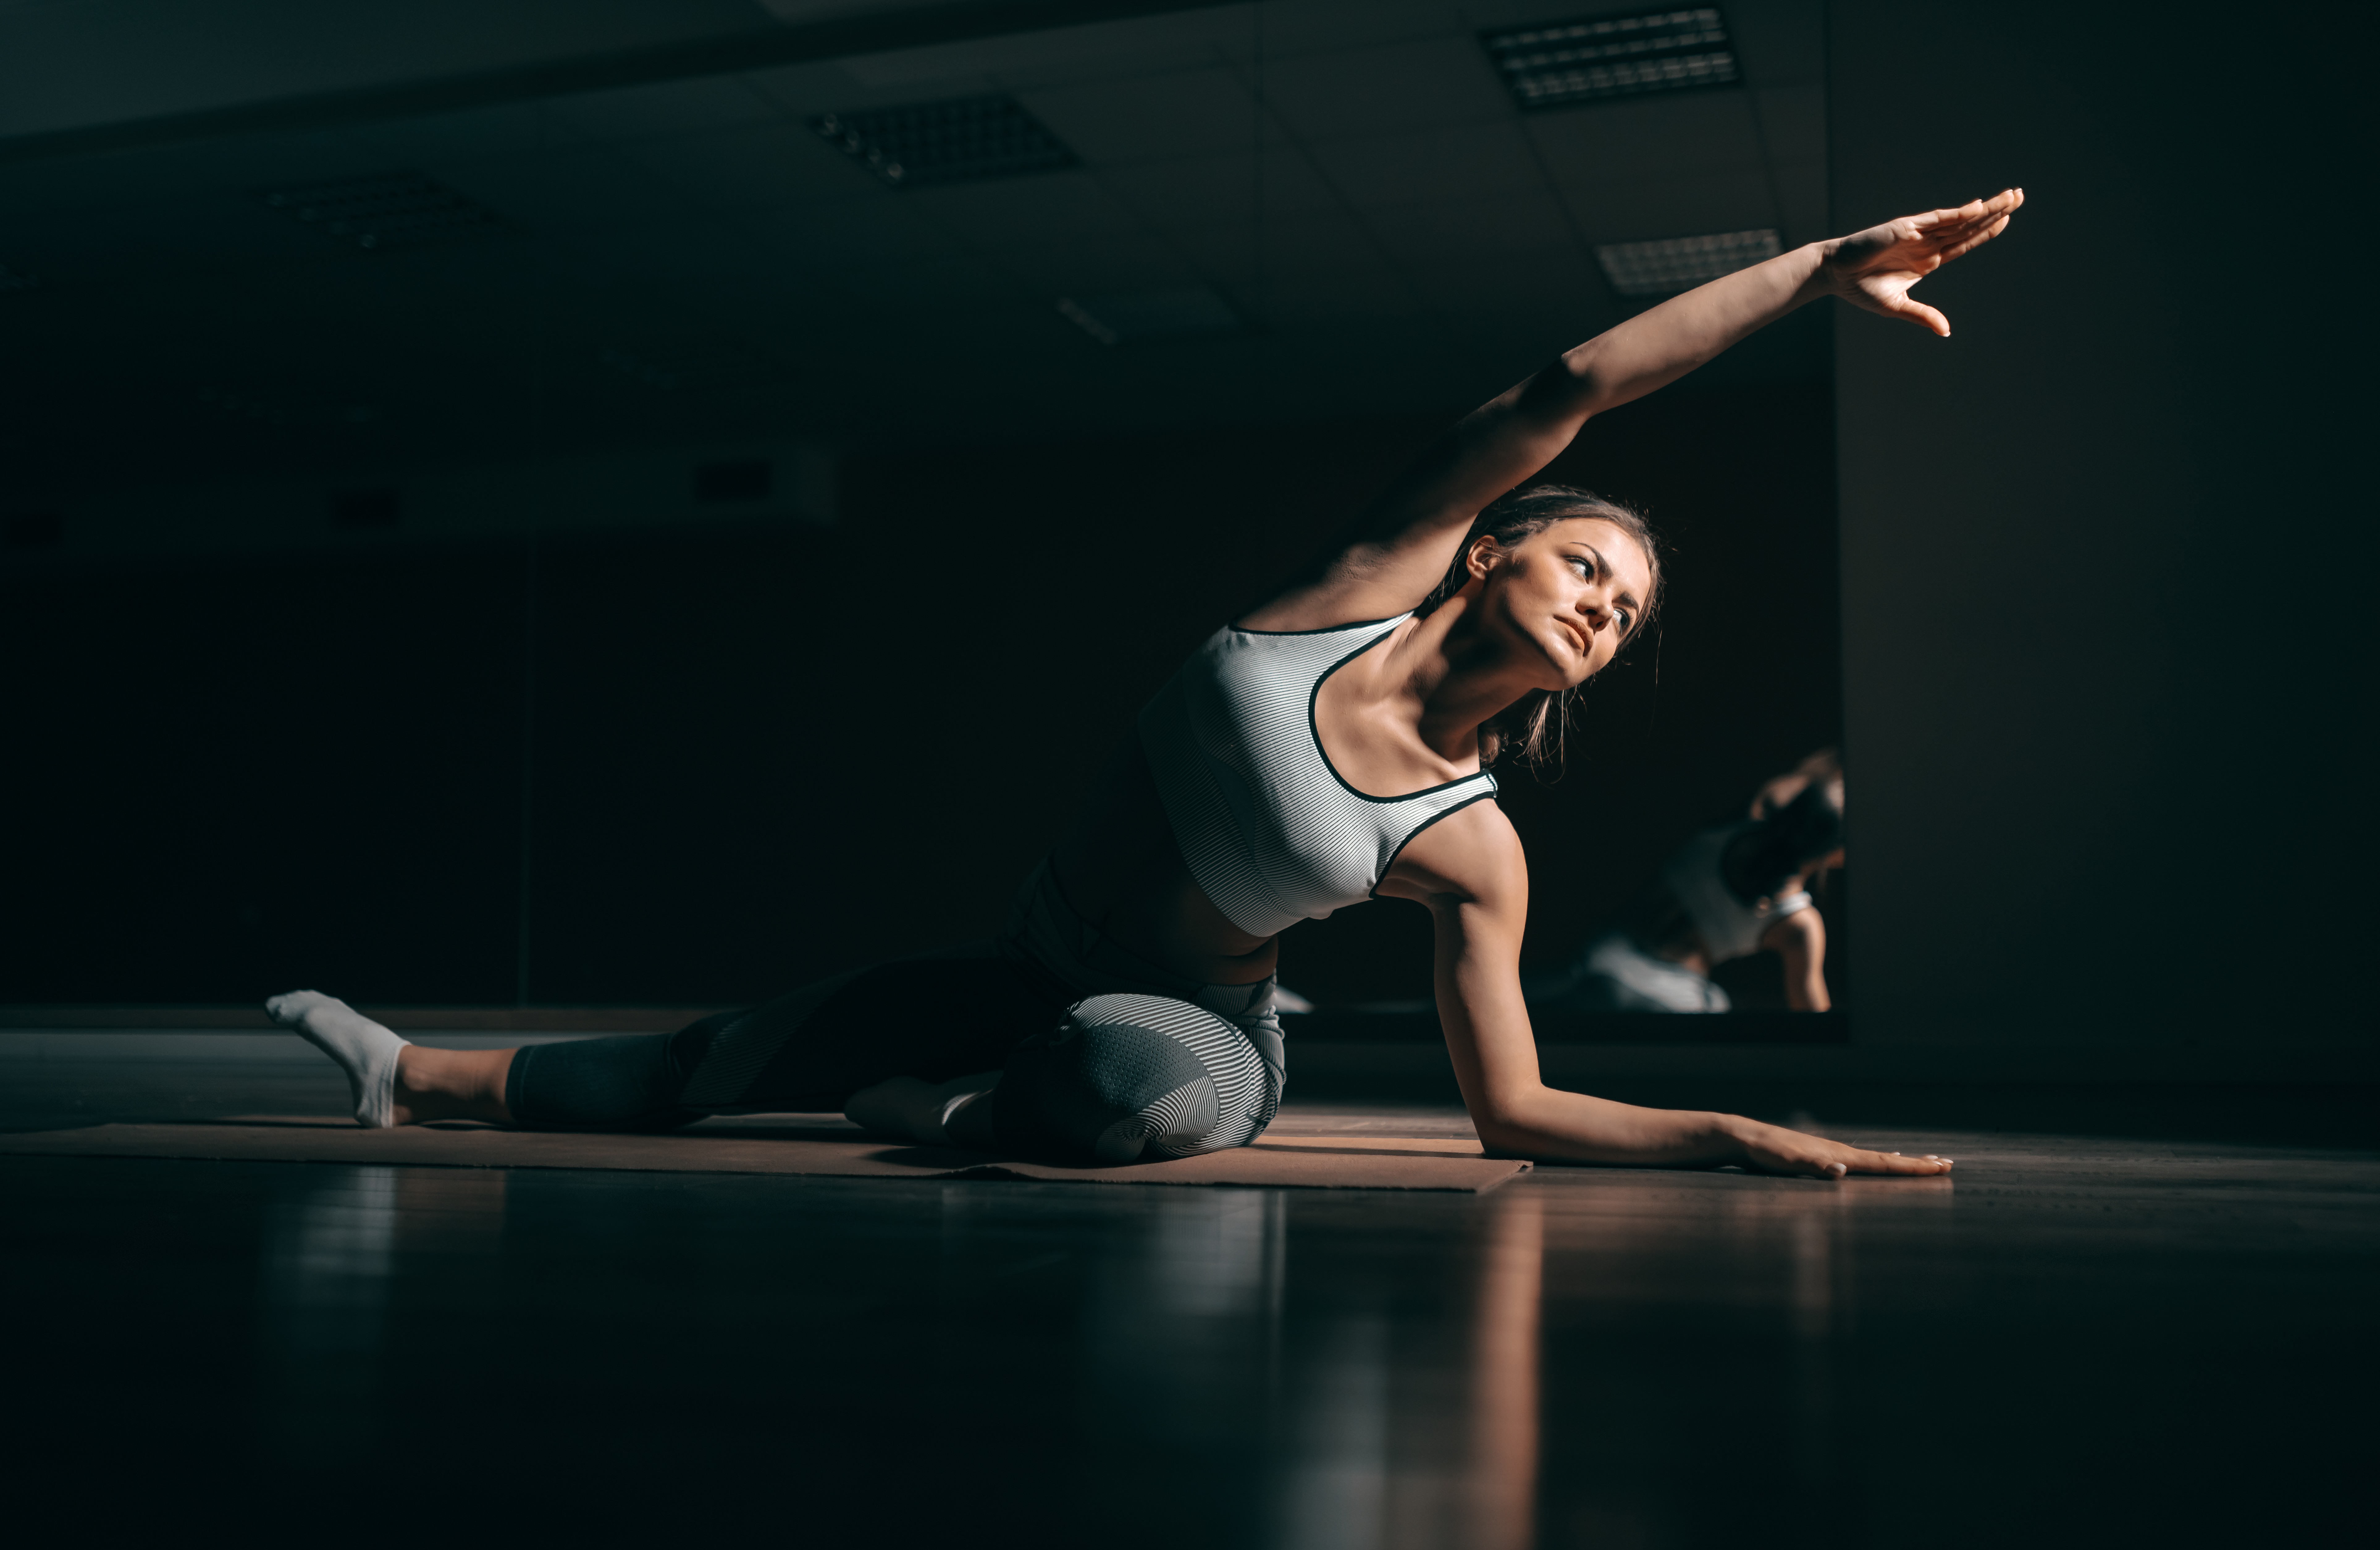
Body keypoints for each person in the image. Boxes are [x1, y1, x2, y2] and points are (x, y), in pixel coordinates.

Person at [270, 189, 2023, 1179]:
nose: (1600, 608)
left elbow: (1516, 1111)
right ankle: (408, 1074)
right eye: (1584, 564)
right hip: (1029, 955)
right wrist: (1815, 269)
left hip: (1189, 1039)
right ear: (1492, 547)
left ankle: (961, 1112)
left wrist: (1725, 1124)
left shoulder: (1474, 843)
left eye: (1626, 612)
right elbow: (1573, 379)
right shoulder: (1358, 582)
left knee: (1119, 1085)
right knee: (723, 1058)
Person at [1545, 749, 1845, 1014]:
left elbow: (1803, 774)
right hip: (1666, 1000)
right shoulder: (1799, 925)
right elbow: (1814, 1022)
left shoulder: (1734, 824)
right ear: (1837, 855)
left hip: (1600, 959)